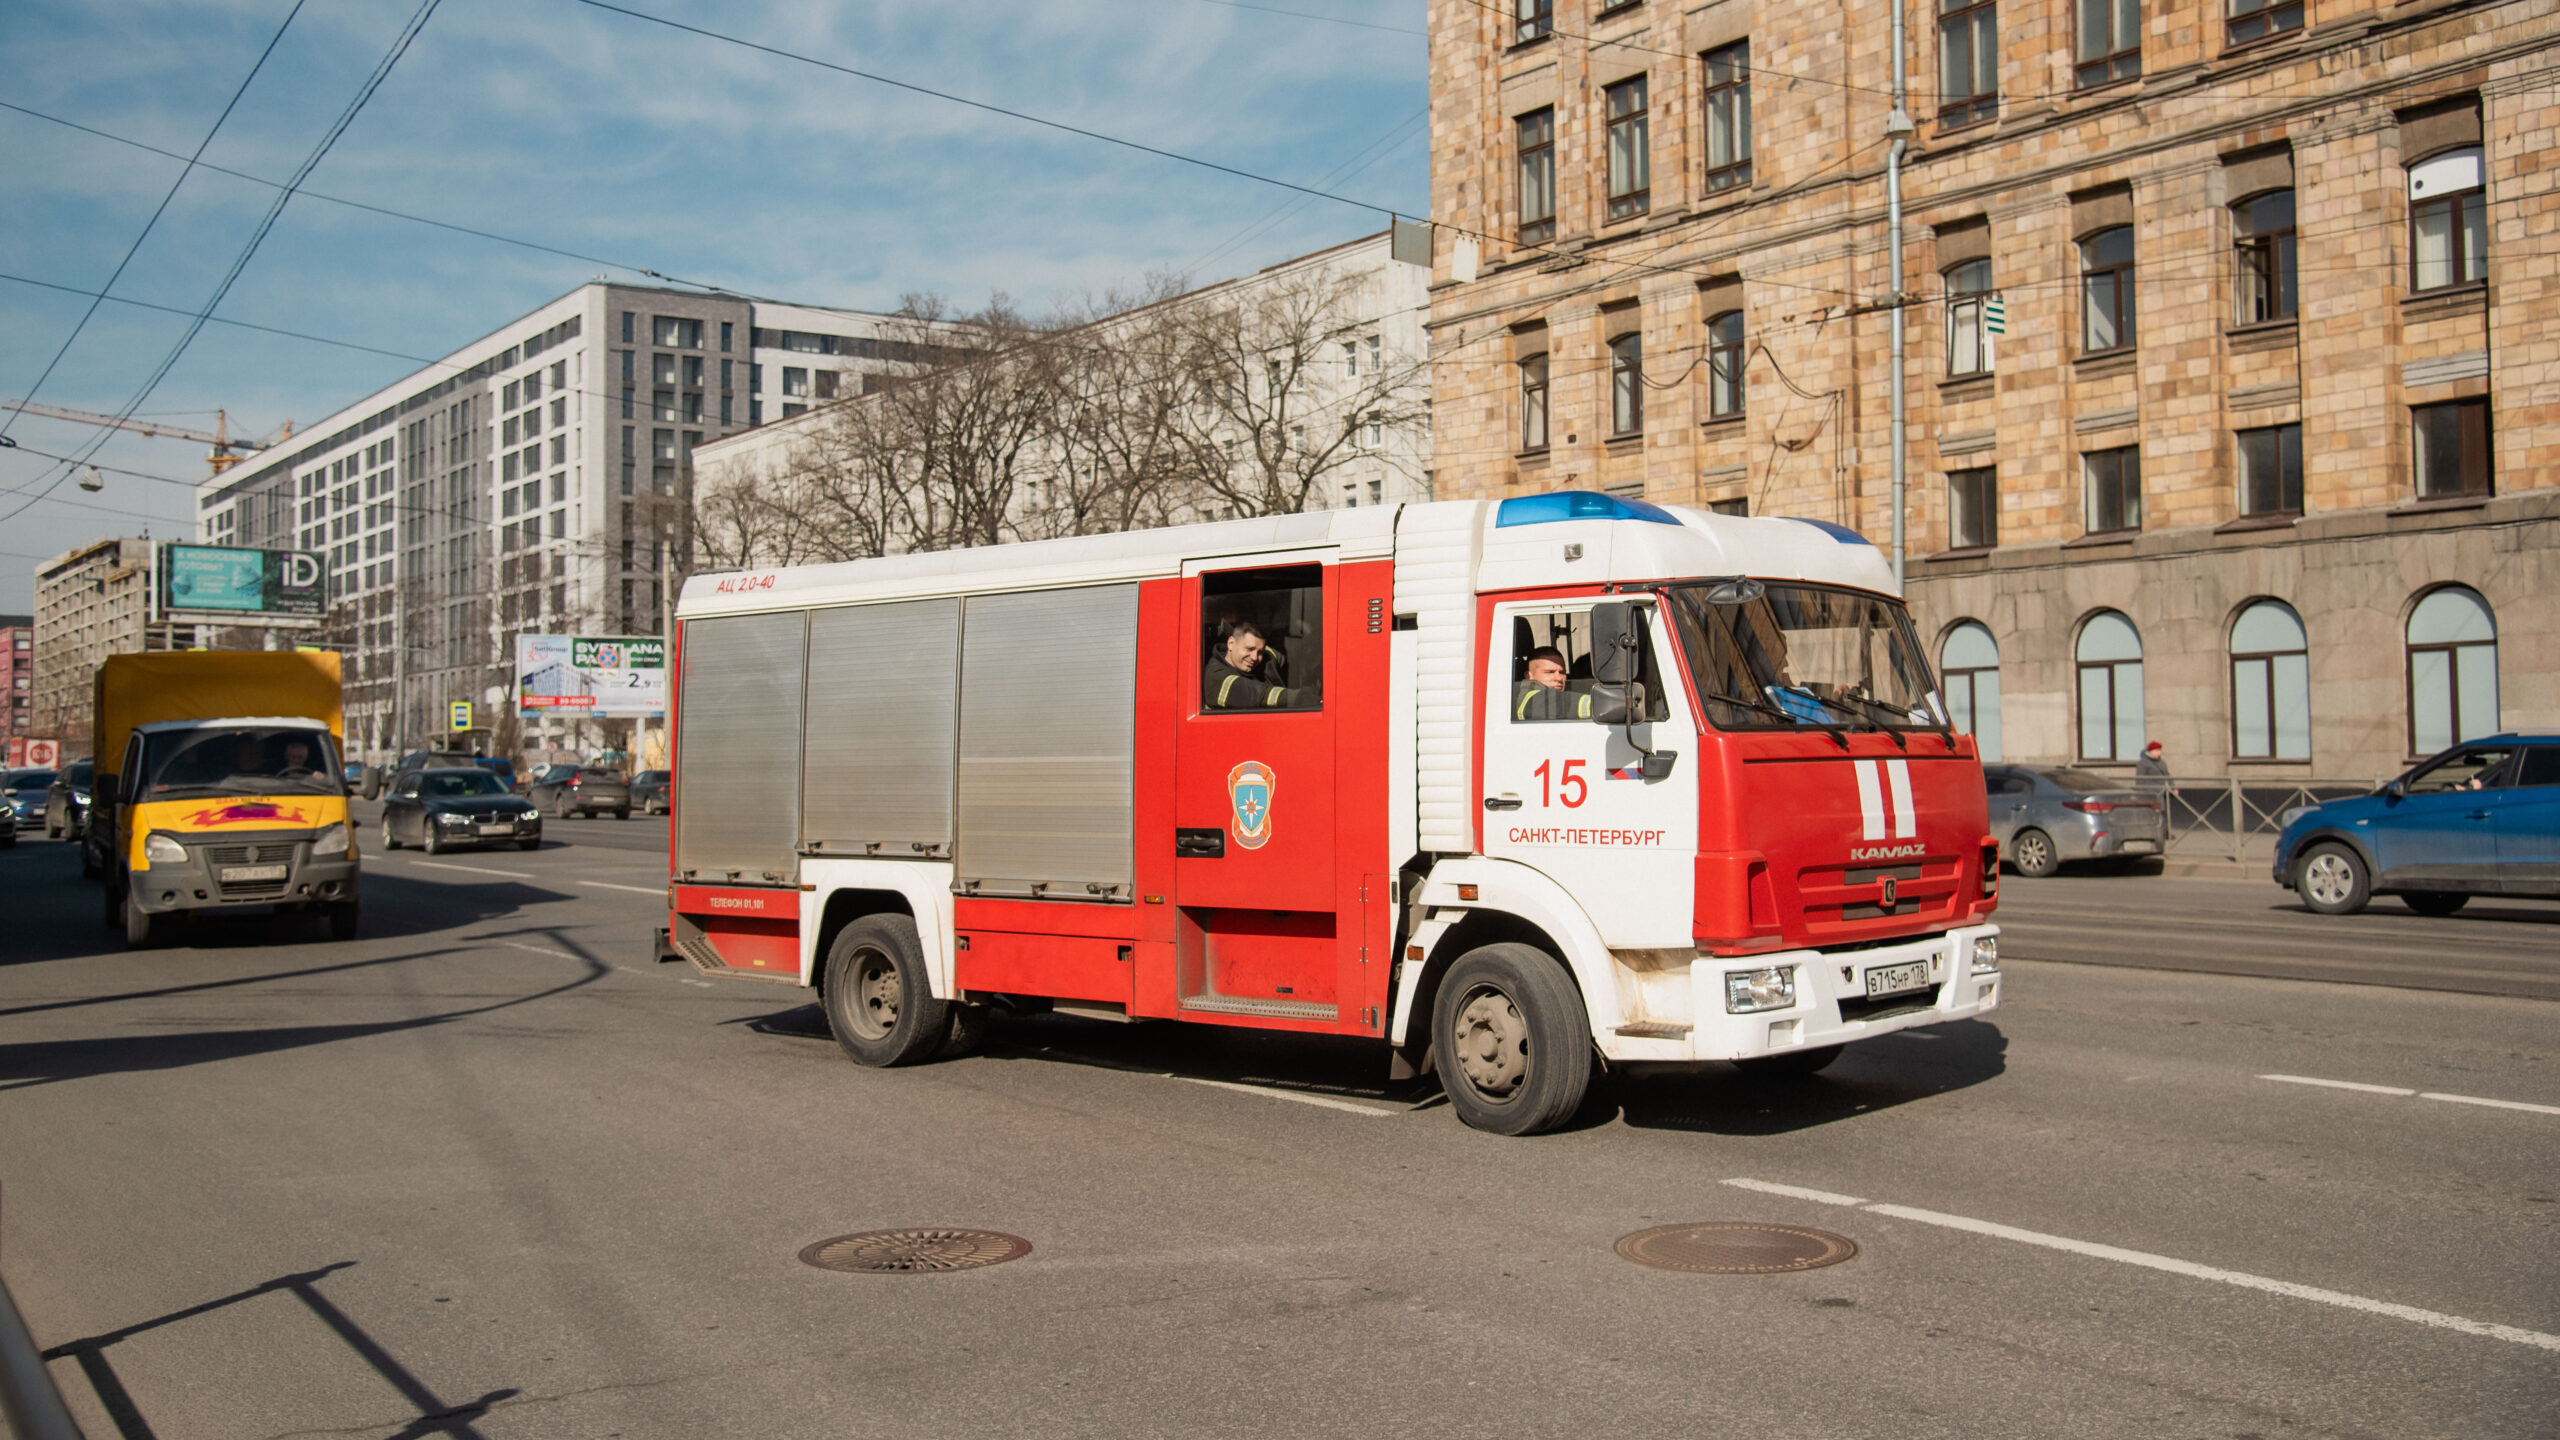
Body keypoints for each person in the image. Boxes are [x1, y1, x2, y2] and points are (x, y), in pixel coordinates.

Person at [1204, 621, 1304, 710]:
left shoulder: (1265, 656)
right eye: (1249, 649)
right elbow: (1259, 695)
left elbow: (1279, 658)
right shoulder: (1216, 677)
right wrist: (1301, 697)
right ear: (1231, 643)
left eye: (1260, 652)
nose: (1255, 657)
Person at [1514, 646, 1593, 722]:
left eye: (1562, 672)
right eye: (1549, 672)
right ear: (1528, 676)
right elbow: (1558, 703)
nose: (1558, 678)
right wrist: (1601, 702)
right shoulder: (1531, 699)